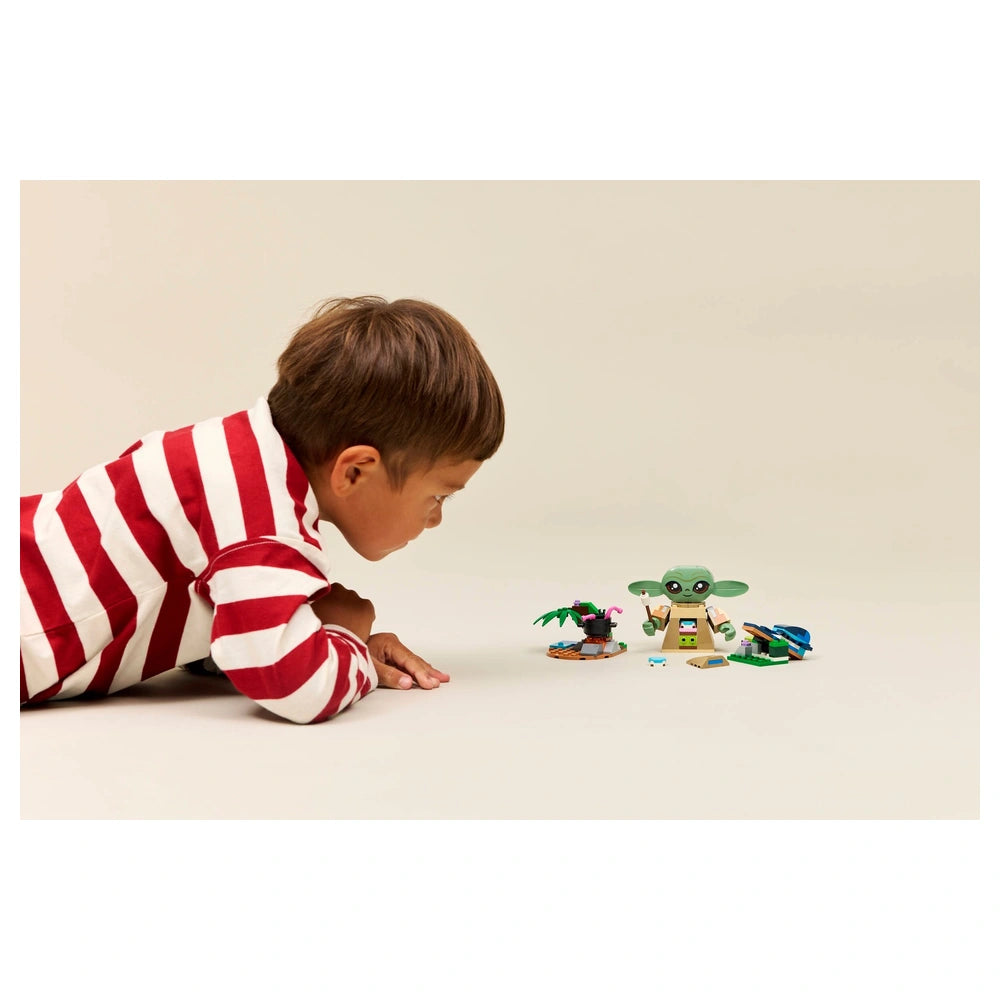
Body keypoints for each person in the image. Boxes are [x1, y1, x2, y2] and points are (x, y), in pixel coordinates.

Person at [20, 296, 505, 723]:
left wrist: (309, 629)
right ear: (355, 471)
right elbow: (290, 682)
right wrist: (345, 635)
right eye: (439, 496)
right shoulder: (263, 523)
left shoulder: (230, 454)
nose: (436, 518)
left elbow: (206, 621)